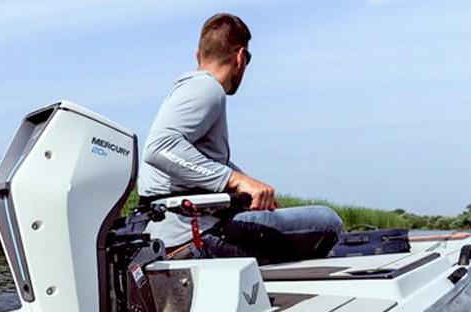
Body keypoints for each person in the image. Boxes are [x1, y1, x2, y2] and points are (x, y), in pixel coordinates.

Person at [137, 13, 343, 264]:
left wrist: (247, 184)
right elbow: (159, 147)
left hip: (177, 235)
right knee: (327, 221)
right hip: (198, 236)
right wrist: (235, 180)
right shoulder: (206, 88)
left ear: (198, 55)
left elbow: (198, 159)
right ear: (241, 57)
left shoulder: (189, 89)